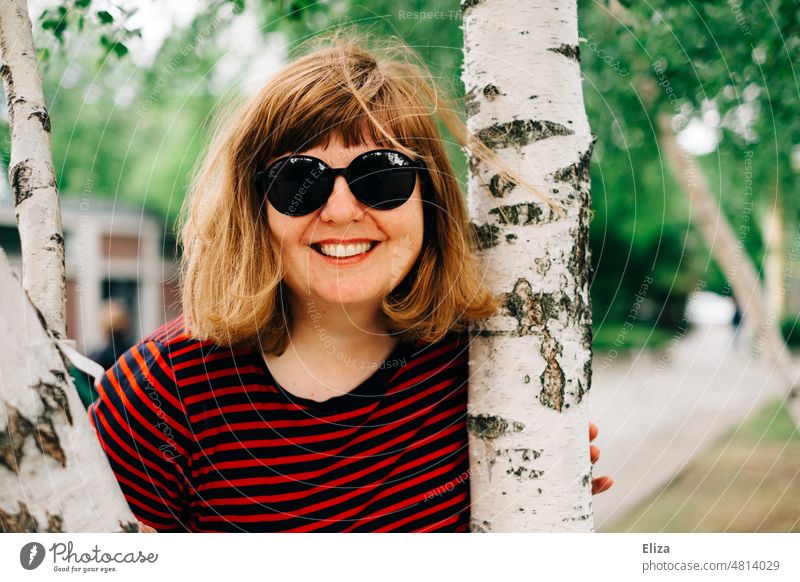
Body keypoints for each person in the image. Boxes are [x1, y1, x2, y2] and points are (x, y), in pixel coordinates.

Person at [87, 33, 612, 533]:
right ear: (254, 208)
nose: (340, 211)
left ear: (429, 198)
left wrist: (538, 490)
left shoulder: (485, 364)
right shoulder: (163, 392)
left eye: (379, 175)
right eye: (299, 179)